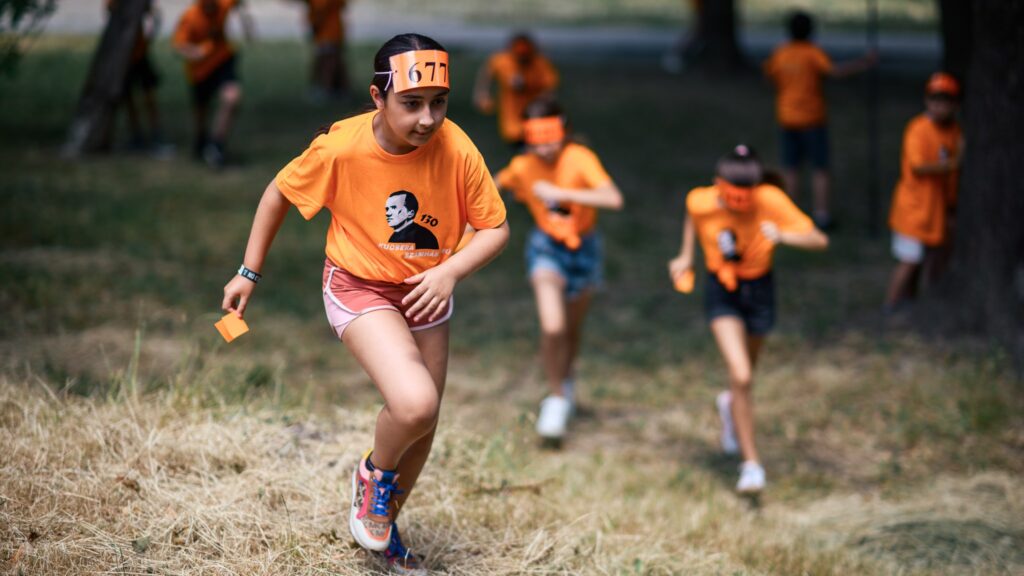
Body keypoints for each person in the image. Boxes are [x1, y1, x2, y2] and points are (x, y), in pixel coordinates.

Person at [220, 34, 509, 572]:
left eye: (439, 102)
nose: (428, 118)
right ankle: (373, 475)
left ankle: (383, 526)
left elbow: (495, 228)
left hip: (426, 291)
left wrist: (449, 271)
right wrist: (248, 271)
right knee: (415, 404)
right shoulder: (342, 148)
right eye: (412, 103)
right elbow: (279, 192)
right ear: (378, 97)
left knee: (422, 425)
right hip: (359, 286)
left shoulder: (458, 147)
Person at [668, 145, 828, 493]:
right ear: (718, 185)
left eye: (745, 198)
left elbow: (819, 239)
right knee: (740, 375)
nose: (738, 204)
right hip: (721, 290)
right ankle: (751, 465)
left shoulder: (770, 199)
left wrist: (783, 235)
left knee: (745, 378)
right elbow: (694, 215)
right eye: (731, 197)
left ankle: (728, 406)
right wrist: (685, 256)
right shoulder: (701, 200)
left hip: (759, 291)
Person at [495, 98, 624, 442]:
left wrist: (560, 192)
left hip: (584, 250)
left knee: (571, 330)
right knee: (553, 327)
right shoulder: (522, 166)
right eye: (535, 140)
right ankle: (555, 397)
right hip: (546, 250)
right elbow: (493, 186)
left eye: (550, 138)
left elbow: (612, 198)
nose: (544, 148)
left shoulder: (579, 158)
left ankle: (564, 383)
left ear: (563, 130)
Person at [763, 10, 877, 228]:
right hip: (812, 119)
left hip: (787, 117)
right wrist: (864, 62)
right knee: (820, 168)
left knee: (791, 167)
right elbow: (834, 71)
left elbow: (769, 73)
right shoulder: (812, 53)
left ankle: (789, 213)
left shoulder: (781, 53)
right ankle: (822, 214)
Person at [885, 72, 963, 311]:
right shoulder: (918, 128)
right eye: (935, 100)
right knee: (909, 260)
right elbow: (918, 165)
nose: (939, 106)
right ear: (927, 101)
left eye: (945, 101)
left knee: (928, 259)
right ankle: (890, 305)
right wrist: (953, 164)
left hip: (936, 210)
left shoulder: (954, 131)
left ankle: (912, 301)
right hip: (913, 209)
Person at [173, 0, 254, 168]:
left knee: (232, 98)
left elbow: (239, 4)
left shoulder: (223, 4)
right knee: (201, 113)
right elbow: (179, 46)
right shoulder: (190, 17)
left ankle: (216, 145)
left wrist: (246, 22)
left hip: (223, 61)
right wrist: (196, 52)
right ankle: (201, 141)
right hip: (200, 71)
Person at [473, 33, 559, 148]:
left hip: (536, 123)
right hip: (512, 124)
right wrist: (482, 94)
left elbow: (551, 90)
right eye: (519, 54)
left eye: (525, 54)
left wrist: (537, 101)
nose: (522, 57)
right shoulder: (502, 61)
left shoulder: (541, 64)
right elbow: (486, 73)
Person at [106, 0, 169, 153]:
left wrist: (149, 37)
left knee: (148, 95)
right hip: (124, 56)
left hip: (139, 53)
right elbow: (110, 10)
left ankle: (155, 134)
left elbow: (153, 14)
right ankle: (137, 134)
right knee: (128, 97)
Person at [304, 0, 350, 101]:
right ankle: (338, 89)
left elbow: (321, 9)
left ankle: (327, 89)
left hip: (329, 32)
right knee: (329, 59)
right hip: (328, 32)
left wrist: (315, 23)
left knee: (329, 61)